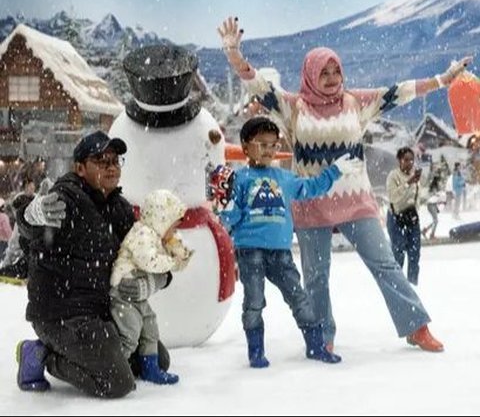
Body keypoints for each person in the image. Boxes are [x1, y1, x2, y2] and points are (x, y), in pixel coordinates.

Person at [217, 16, 473, 353]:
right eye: (323, 72)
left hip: (356, 201)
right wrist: (235, 54)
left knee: (385, 263)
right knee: (317, 277)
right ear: (310, 74)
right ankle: (322, 336)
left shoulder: (356, 101)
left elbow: (400, 92)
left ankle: (416, 326)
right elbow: (257, 86)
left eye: (335, 71)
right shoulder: (294, 107)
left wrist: (443, 79)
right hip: (311, 202)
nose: (331, 78)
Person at [14, 131, 168, 398]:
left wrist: (155, 281)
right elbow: (31, 227)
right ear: (80, 168)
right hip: (61, 314)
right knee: (118, 382)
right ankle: (41, 354)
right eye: (101, 160)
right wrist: (30, 214)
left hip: (101, 311)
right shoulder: (66, 197)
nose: (111, 166)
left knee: (155, 359)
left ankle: (91, 355)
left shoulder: (119, 208)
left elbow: (149, 254)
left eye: (115, 160)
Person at [213, 116, 362, 368]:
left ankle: (315, 345)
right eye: (262, 144)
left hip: (281, 252)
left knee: (299, 299)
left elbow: (311, 187)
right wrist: (224, 204)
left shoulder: (284, 178)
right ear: (246, 147)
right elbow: (231, 217)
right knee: (254, 301)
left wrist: (335, 170)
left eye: (273, 145)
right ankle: (256, 350)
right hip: (250, 250)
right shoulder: (239, 179)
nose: (269, 150)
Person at [110, 189, 194, 385]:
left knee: (150, 324)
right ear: (162, 221)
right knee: (130, 332)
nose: (174, 233)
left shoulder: (157, 237)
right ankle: (114, 367)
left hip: (138, 295)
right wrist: (171, 262)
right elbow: (149, 262)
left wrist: (177, 250)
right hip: (122, 292)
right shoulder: (143, 233)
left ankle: (150, 367)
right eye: (173, 228)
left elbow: (178, 261)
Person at [386, 148, 426, 286]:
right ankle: (397, 286)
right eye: (406, 159)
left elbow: (418, 197)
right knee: (398, 254)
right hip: (396, 217)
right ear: (399, 160)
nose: (409, 163)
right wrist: (408, 183)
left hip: (411, 217)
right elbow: (393, 197)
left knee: (415, 254)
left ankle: (413, 285)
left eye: (411, 160)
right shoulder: (393, 176)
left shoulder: (415, 176)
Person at [422, 175, 444, 240]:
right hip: (431, 205)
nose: (441, 183)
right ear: (437, 181)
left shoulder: (435, 187)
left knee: (435, 221)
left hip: (433, 205)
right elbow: (436, 196)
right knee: (436, 220)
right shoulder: (434, 188)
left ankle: (425, 230)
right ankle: (432, 235)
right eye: (440, 181)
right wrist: (440, 195)